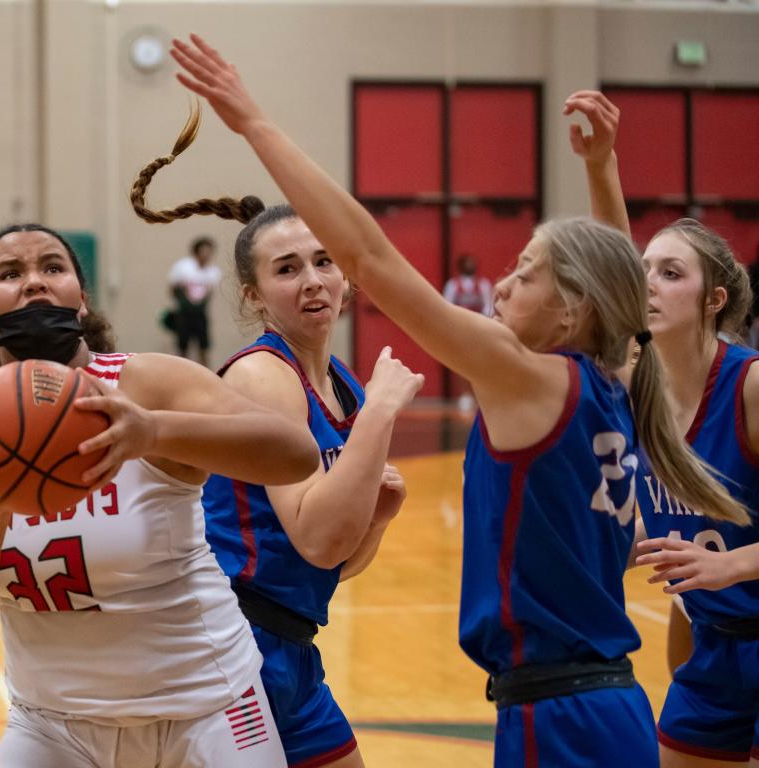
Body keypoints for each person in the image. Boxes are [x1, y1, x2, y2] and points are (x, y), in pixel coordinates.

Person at [167, 35, 749, 767]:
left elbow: (372, 259)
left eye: (526, 273)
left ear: (570, 311)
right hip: (604, 704)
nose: (502, 285)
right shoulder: (614, 381)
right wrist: (601, 168)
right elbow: (615, 295)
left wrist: (253, 123)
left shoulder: (531, 378)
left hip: (559, 716)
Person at [0, 223, 320, 768]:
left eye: (52, 268)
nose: (34, 281)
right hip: (52, 722)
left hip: (208, 705)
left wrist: (153, 431)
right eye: (11, 274)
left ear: (81, 301)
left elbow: (295, 454)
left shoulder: (144, 381)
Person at [131, 146, 423, 766]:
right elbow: (317, 538)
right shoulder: (264, 375)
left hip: (290, 645)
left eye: (323, 262)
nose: (313, 280)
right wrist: (379, 416)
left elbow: (331, 565)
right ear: (255, 297)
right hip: (233, 648)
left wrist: (377, 519)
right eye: (287, 269)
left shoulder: (345, 385)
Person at [566, 89, 759, 767]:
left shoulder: (751, 385)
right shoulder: (640, 376)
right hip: (717, 644)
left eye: (670, 273)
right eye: (644, 270)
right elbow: (611, 259)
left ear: (714, 299)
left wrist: (726, 563)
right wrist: (601, 165)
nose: (647, 282)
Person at [443, 253, 493, 410]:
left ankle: (480, 395)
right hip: (460, 330)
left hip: (479, 330)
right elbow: (446, 307)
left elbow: (489, 307)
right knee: (461, 364)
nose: (470, 265)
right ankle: (465, 395)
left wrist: (480, 324)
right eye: (467, 262)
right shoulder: (453, 285)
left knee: (480, 363)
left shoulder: (484, 285)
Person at [166, 235, 222, 366]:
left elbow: (210, 293)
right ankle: (180, 374)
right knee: (183, 347)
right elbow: (172, 288)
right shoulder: (183, 267)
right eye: (204, 250)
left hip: (200, 314)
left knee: (204, 346)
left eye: (209, 251)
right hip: (184, 313)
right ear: (196, 251)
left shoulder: (213, 272)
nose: (206, 254)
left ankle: (206, 375)